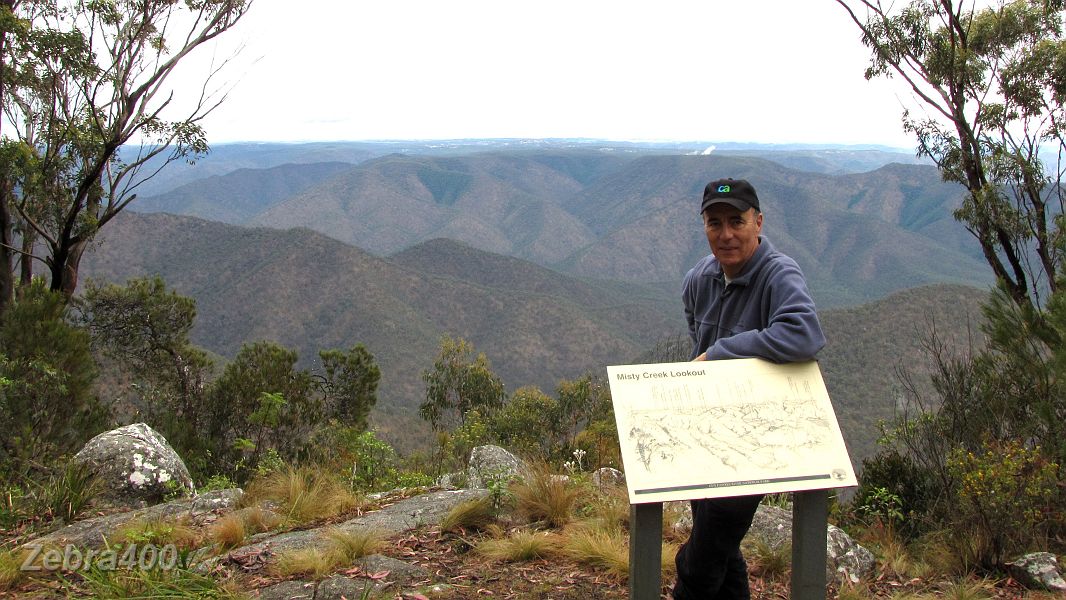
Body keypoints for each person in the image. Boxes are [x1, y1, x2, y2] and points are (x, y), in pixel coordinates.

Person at [673, 178, 826, 600]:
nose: (726, 234)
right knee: (723, 550)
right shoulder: (698, 280)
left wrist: (723, 353)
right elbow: (695, 333)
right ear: (704, 226)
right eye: (714, 223)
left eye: (736, 221)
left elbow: (804, 334)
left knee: (700, 562)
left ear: (758, 222)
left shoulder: (779, 274)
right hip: (708, 434)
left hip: (753, 444)